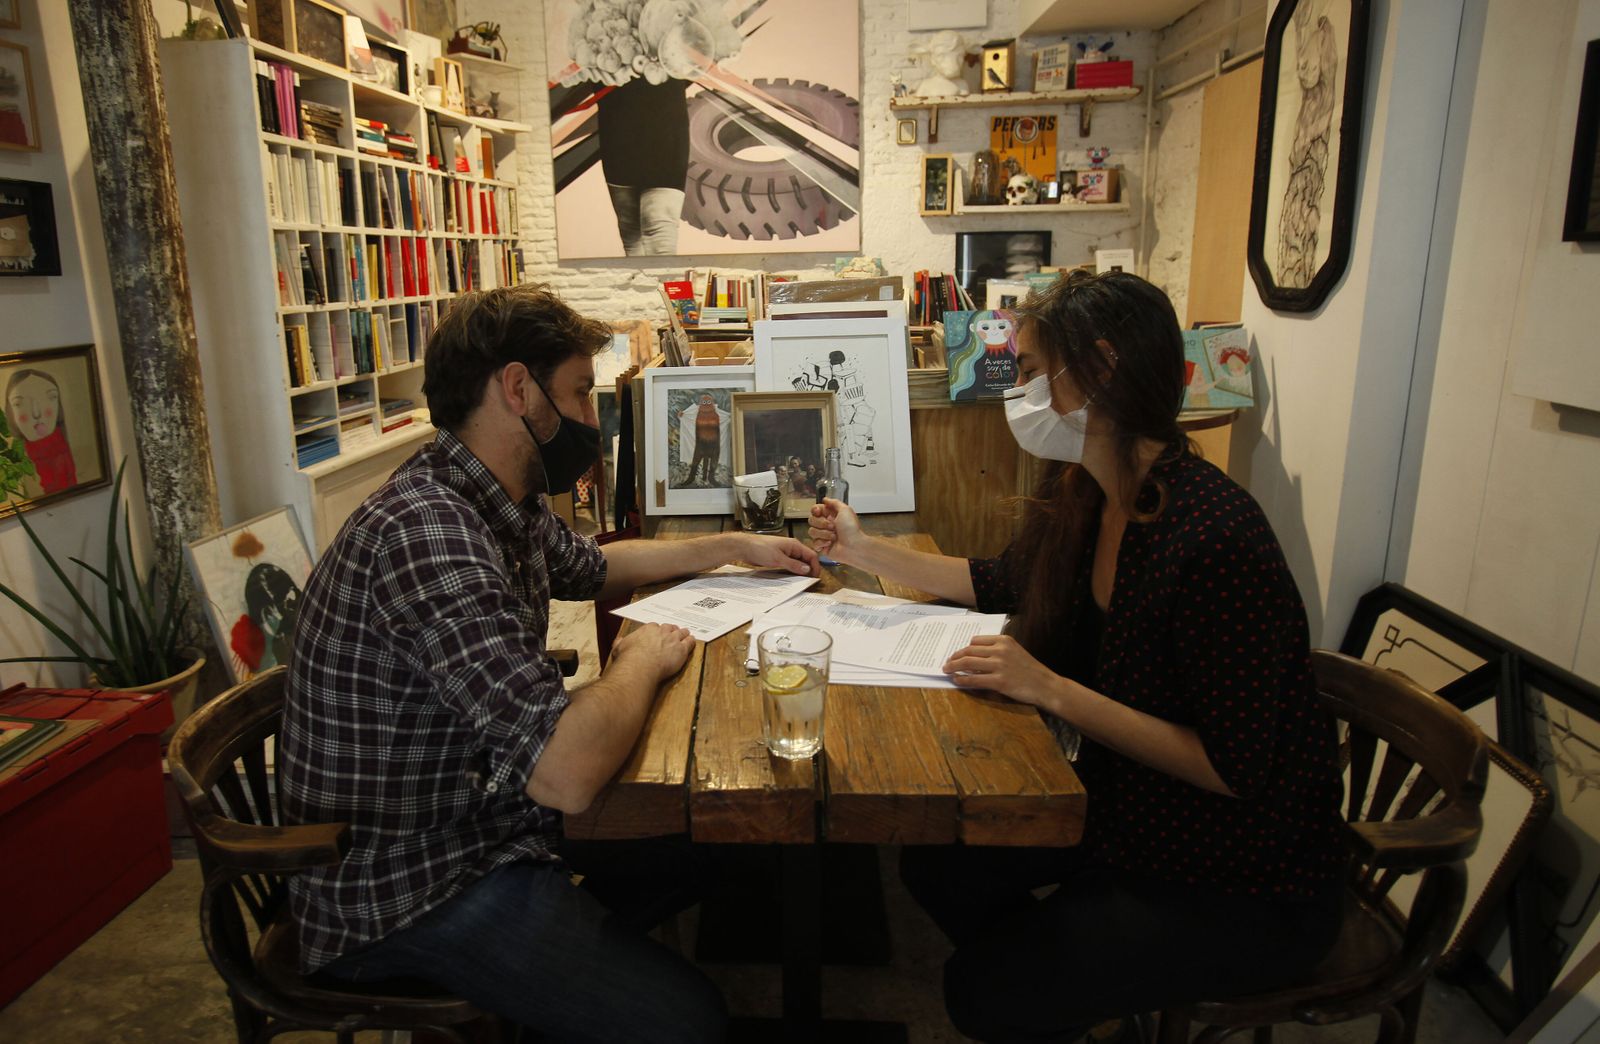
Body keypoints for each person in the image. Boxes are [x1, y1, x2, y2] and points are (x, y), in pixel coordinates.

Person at [809, 270, 1345, 1042]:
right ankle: (1071, 977)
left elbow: (1233, 769)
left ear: (1097, 369)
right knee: (936, 864)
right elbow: (993, 579)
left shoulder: (1216, 536)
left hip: (1242, 873)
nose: (1018, 390)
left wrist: (1051, 688)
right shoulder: (1093, 493)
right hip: (1133, 810)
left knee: (979, 995)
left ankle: (1058, 976)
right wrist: (865, 549)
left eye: (1030, 372)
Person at [281, 284, 820, 1043]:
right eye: (580, 393)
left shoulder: (489, 493)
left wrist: (734, 549)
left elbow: (594, 567)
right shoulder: (432, 535)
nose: (591, 420)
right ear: (517, 389)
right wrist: (638, 658)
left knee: (732, 849)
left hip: (485, 817)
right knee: (689, 1022)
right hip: (407, 884)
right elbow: (564, 775)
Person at [5, 368, 76, 494]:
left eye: (50, 397)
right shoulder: (17, 468)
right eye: (19, 404)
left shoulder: (70, 453)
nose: (36, 413)